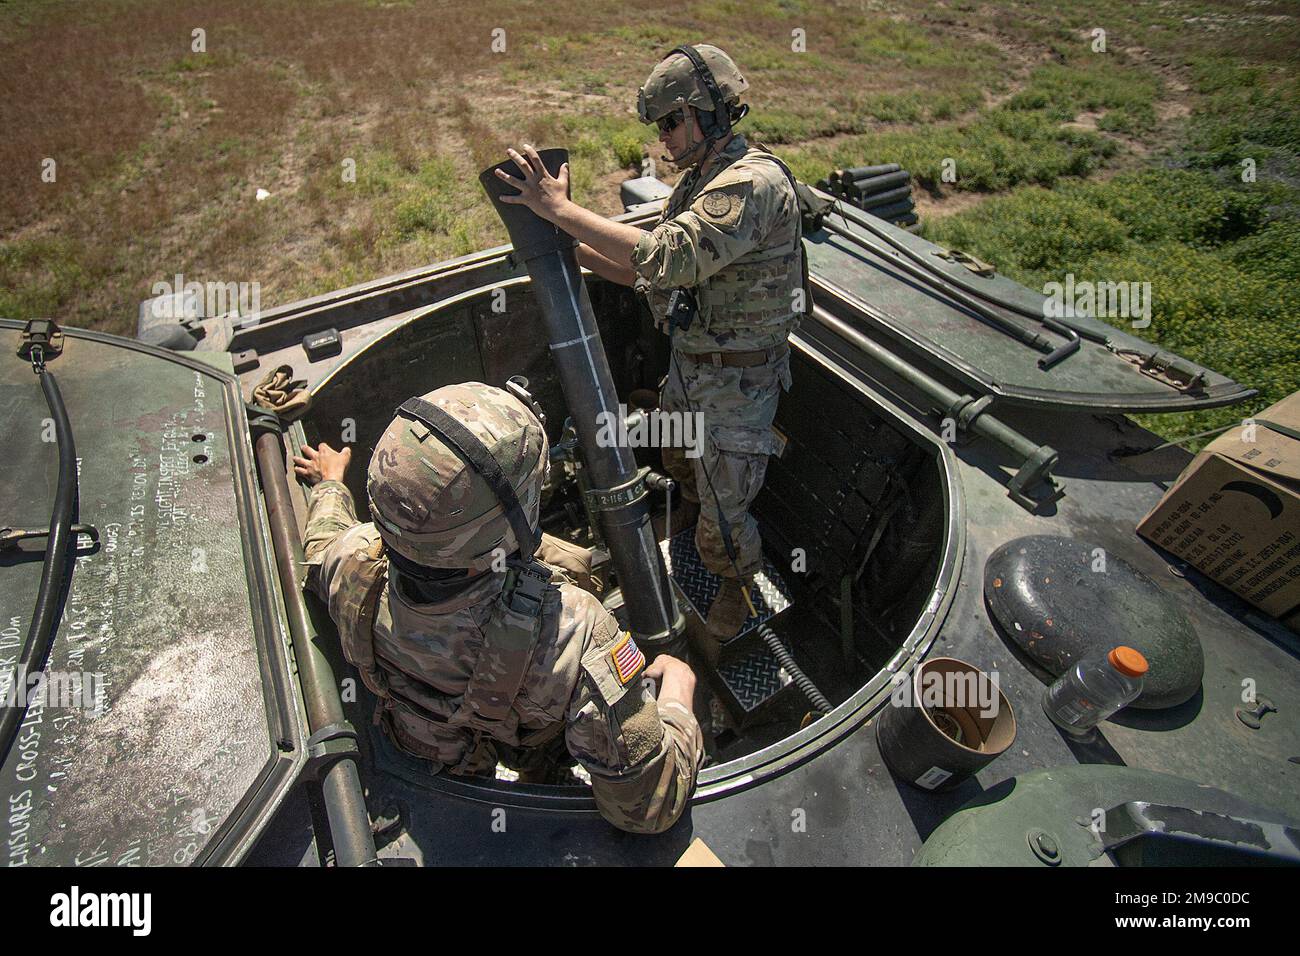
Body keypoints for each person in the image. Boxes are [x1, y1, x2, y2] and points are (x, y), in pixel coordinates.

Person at [293, 382, 704, 834]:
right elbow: (647, 807)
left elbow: (322, 544)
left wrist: (330, 484)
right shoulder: (571, 633)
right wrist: (678, 702)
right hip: (526, 733)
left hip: (434, 754)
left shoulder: (354, 562)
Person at [492, 43, 803, 641]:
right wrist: (568, 248)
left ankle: (737, 589)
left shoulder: (751, 184)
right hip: (695, 371)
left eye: (670, 121)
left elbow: (669, 255)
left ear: (708, 112)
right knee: (681, 466)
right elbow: (647, 272)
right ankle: (690, 524)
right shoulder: (701, 183)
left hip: (737, 389)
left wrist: (561, 210)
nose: (663, 139)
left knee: (725, 517)